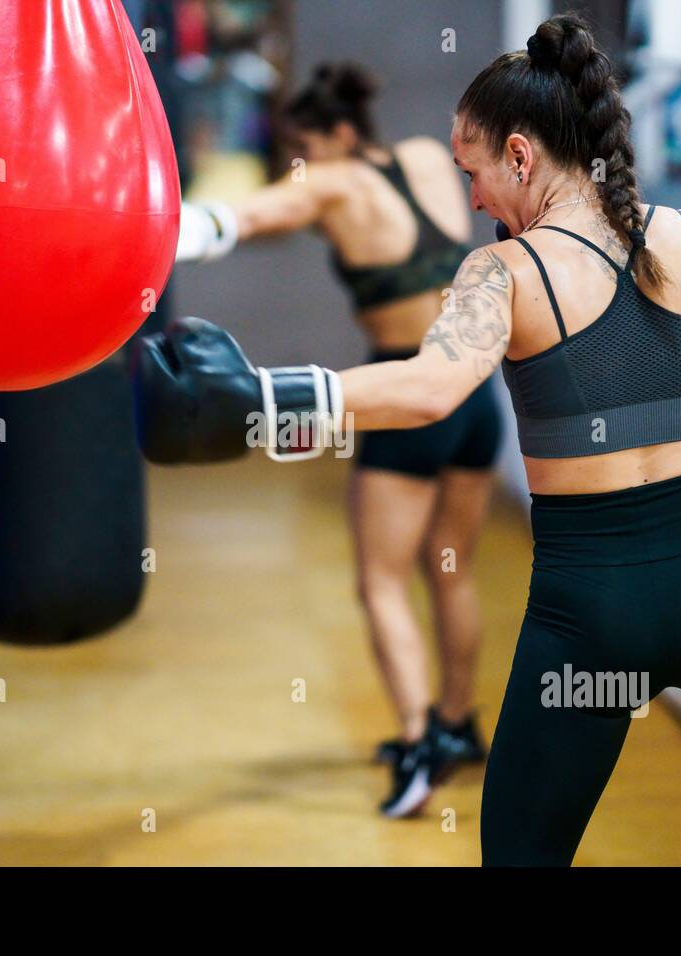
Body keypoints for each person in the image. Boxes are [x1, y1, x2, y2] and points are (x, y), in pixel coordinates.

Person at [136, 13, 681, 866]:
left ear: (520, 156)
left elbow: (428, 389)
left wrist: (262, 397)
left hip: (595, 612)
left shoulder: (506, 272)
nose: (471, 196)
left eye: (472, 170)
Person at [174, 62, 502, 818]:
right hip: (472, 392)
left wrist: (162, 229)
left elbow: (242, 218)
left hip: (400, 395)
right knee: (451, 572)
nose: (303, 164)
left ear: (340, 135)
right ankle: (458, 725)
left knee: (381, 582)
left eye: (308, 146)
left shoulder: (333, 182)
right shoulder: (426, 156)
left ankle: (419, 746)